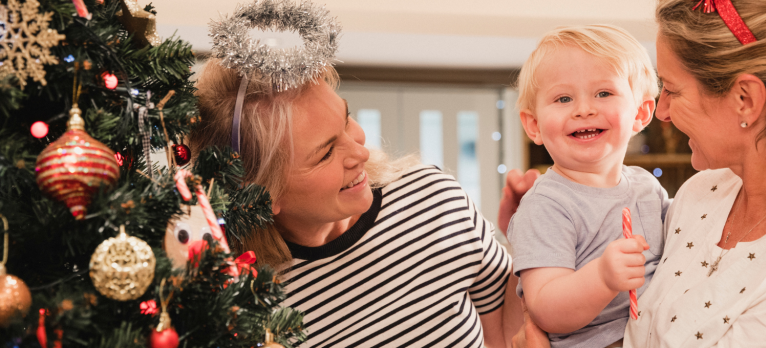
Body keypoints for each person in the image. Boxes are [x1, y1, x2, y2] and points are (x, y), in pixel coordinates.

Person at [505, 0, 766, 346]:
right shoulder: (702, 194)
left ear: (745, 100)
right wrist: (532, 230)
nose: (663, 113)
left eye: (670, 89)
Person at [189, 45, 522, 348]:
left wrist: (532, 234)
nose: (359, 151)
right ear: (259, 195)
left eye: (346, 119)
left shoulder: (434, 199)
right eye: (325, 152)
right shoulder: (242, 299)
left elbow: (509, 338)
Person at [507, 25, 669, 348]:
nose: (584, 109)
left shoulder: (647, 187)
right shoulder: (545, 205)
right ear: (534, 125)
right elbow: (545, 307)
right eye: (563, 98)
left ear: (640, 113)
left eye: (603, 93)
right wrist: (602, 278)